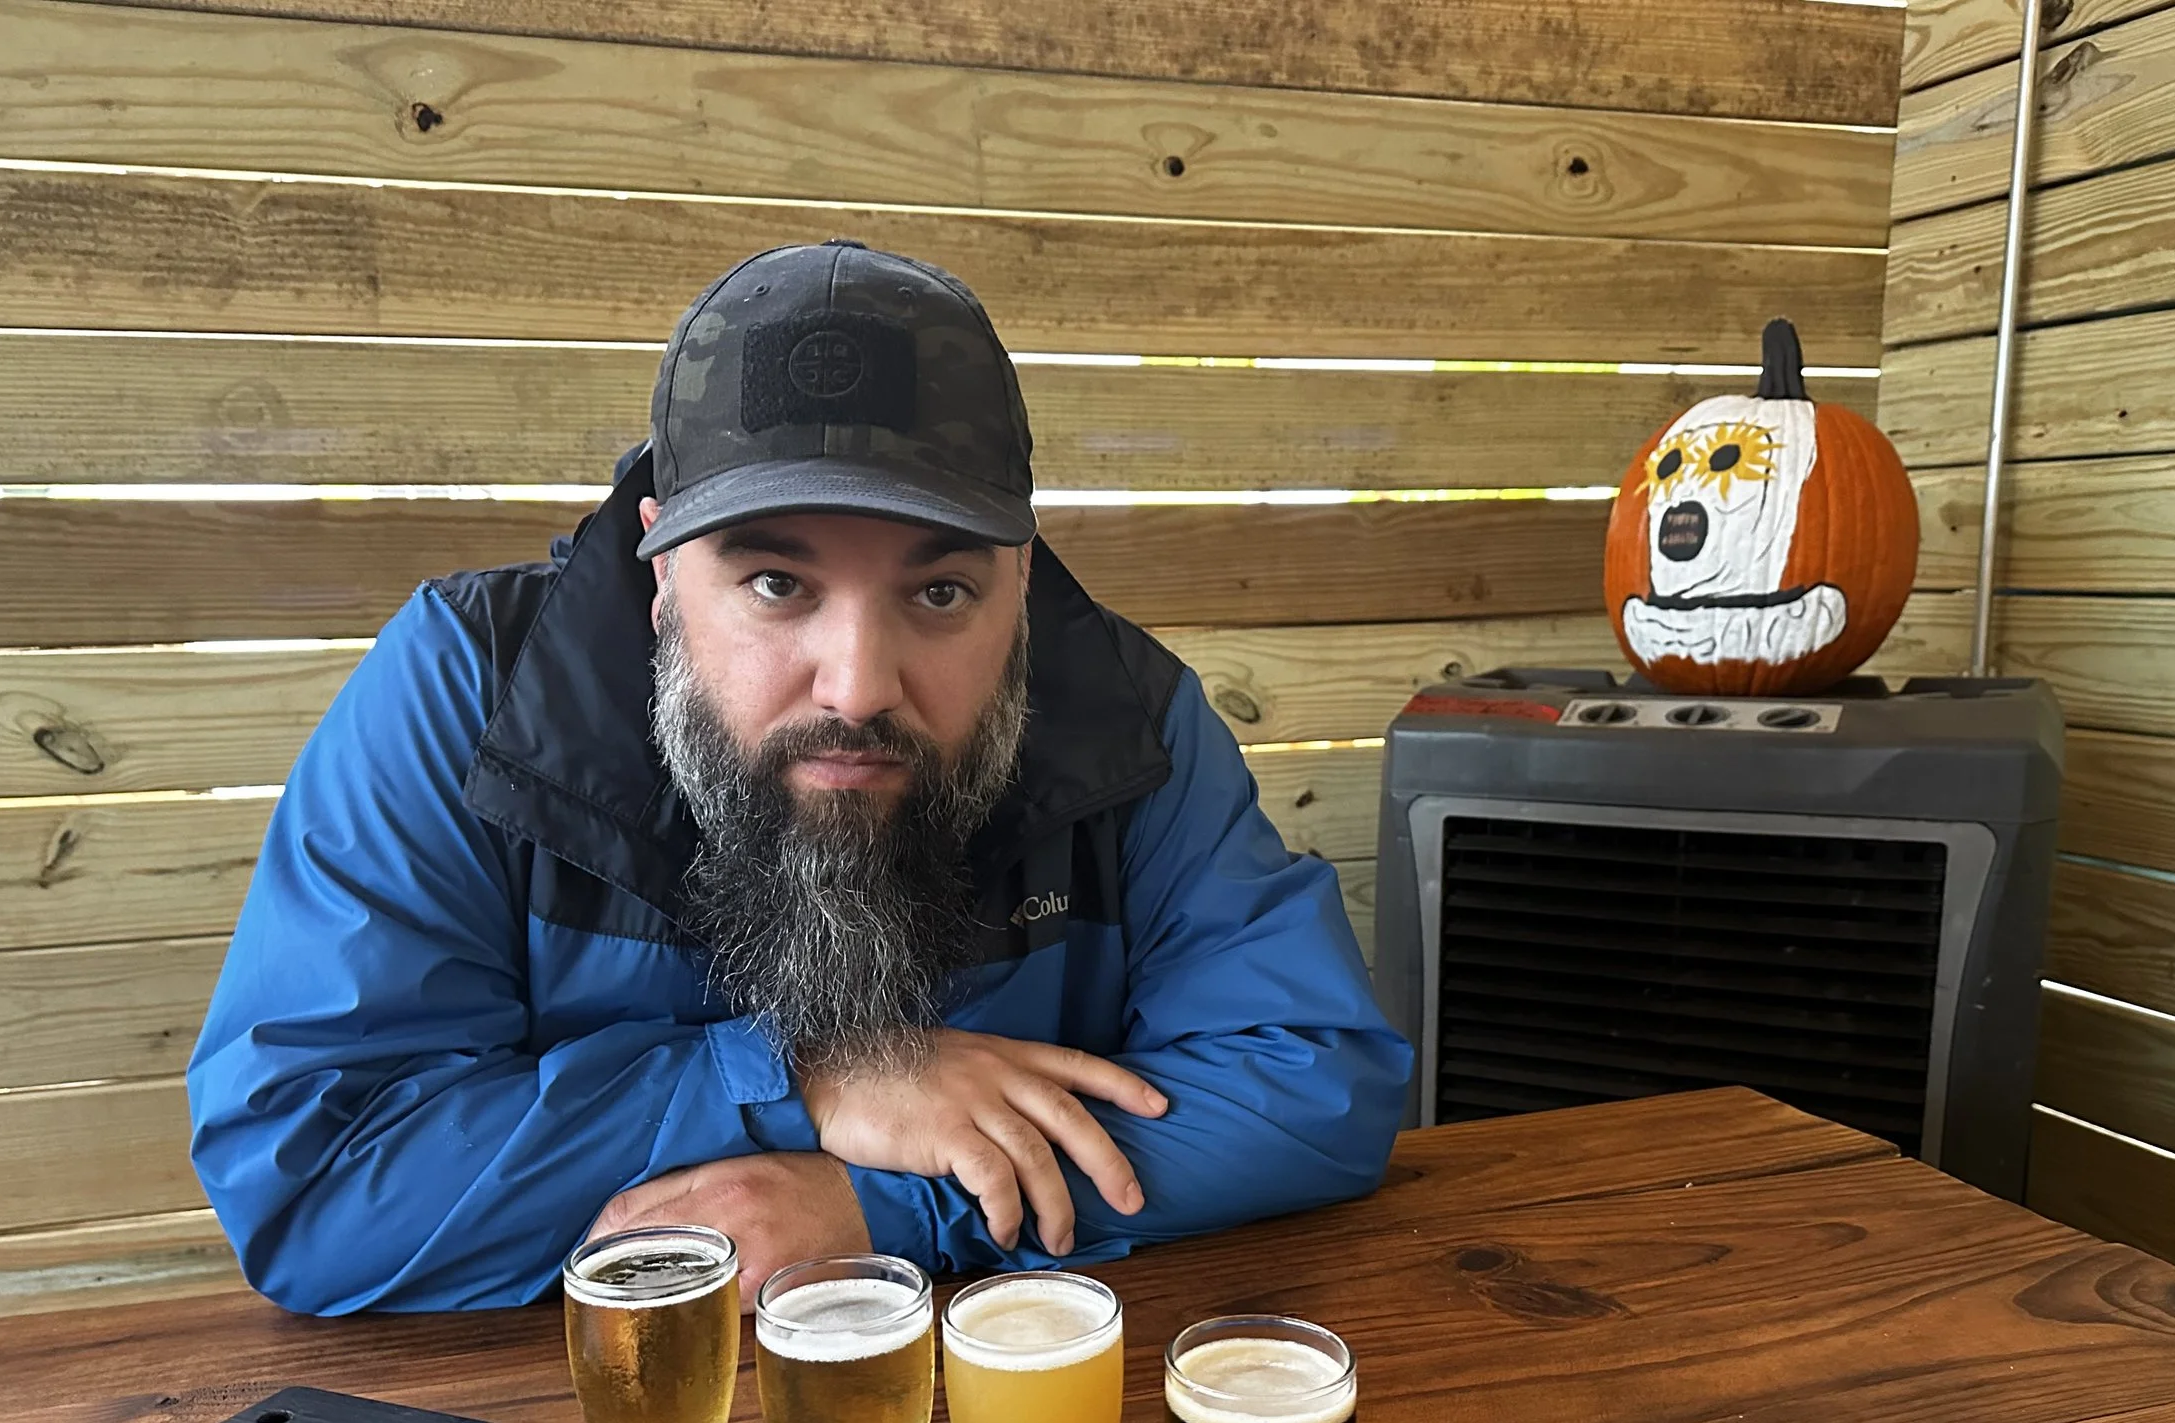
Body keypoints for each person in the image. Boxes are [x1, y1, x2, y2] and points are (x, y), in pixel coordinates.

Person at [187, 240, 1411, 1314]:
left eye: (941, 592)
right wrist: (804, 1087)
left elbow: (1309, 1084)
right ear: (660, 572)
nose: (858, 685)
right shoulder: (473, 695)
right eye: (776, 584)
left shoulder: (1123, 714)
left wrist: (885, 1209)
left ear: (1022, 582)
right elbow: (316, 1178)